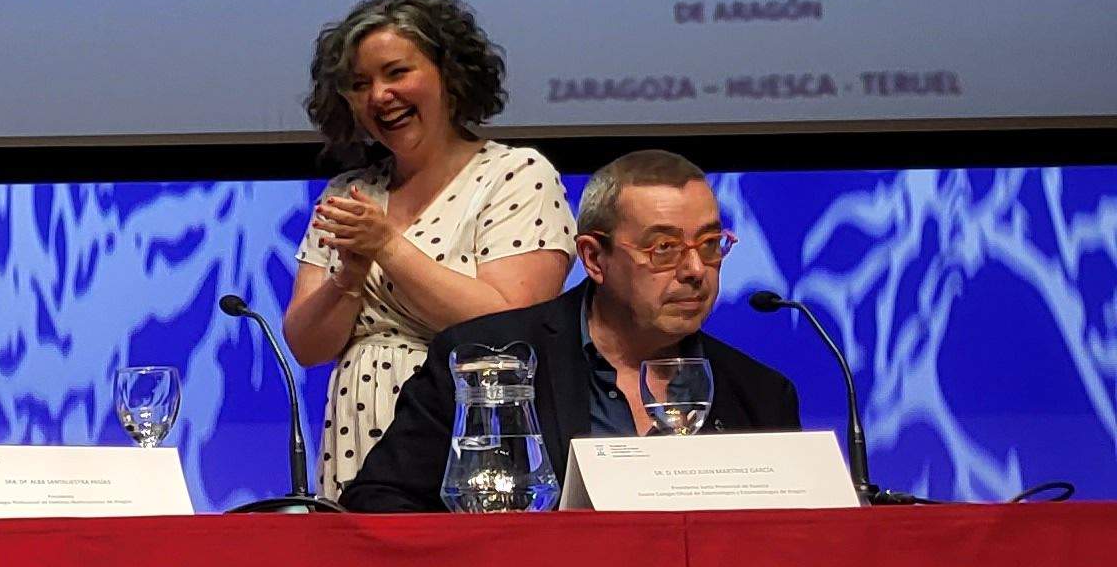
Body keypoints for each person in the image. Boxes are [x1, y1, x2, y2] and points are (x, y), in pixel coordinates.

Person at [342, 149, 800, 511]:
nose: (696, 270)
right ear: (594, 258)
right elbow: (380, 502)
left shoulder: (759, 394)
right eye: (664, 248)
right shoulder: (483, 359)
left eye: (710, 244)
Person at [282, 0, 573, 490]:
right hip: (356, 436)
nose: (378, 96)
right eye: (359, 84)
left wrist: (388, 247)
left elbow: (511, 332)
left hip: (468, 436)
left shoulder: (515, 175)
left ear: (450, 76)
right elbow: (307, 347)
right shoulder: (349, 192)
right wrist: (349, 277)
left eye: (396, 73)